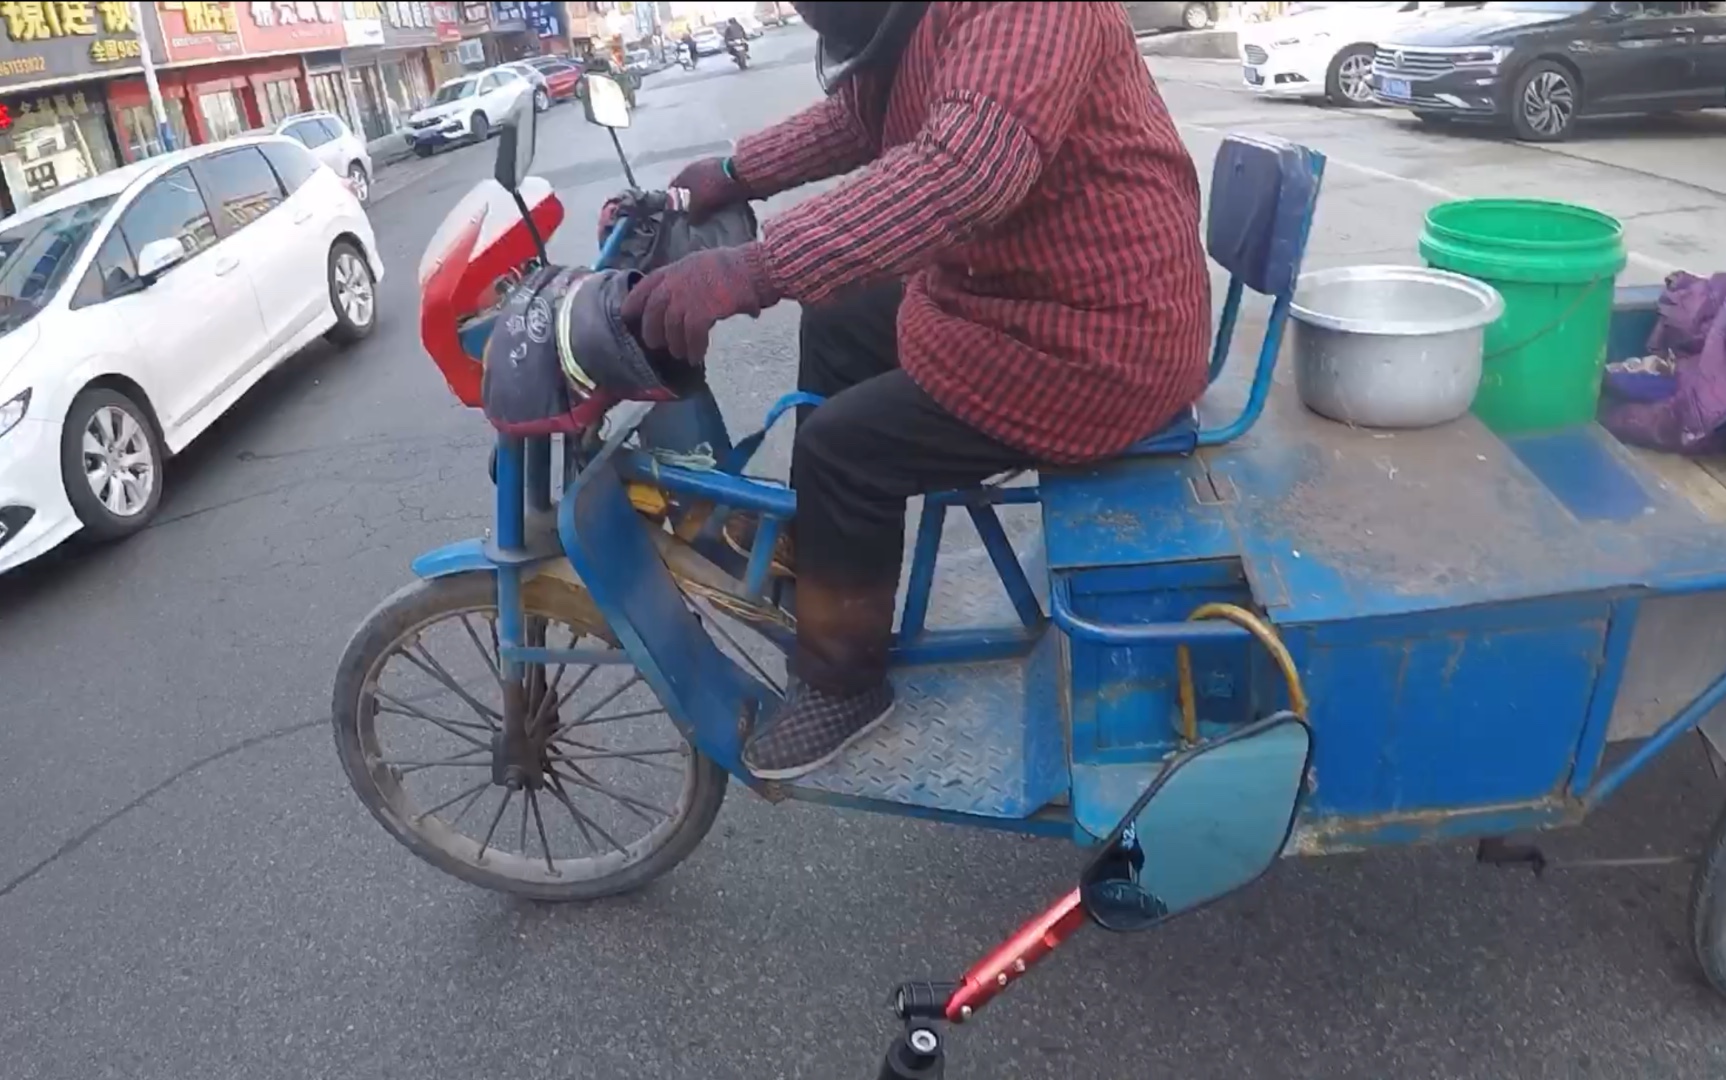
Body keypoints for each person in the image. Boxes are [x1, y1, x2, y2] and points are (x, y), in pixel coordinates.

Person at [621, 1, 1211, 781]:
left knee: (844, 451)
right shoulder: (924, 20)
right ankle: (827, 547)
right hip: (1018, 293)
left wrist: (751, 271)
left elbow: (963, 169)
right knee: (835, 315)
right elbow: (862, 119)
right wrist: (736, 173)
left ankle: (842, 681)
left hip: (1101, 337)